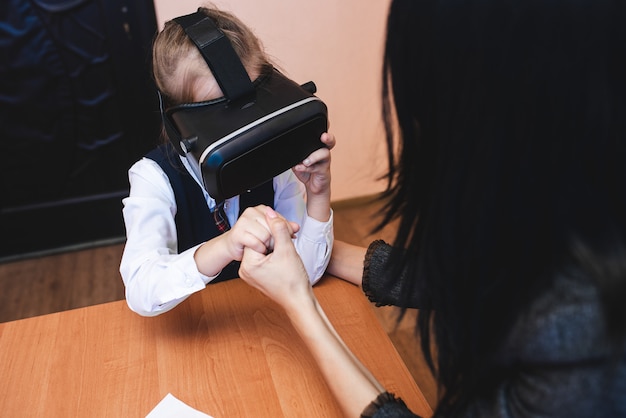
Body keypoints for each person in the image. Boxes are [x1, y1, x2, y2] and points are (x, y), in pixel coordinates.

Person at [238, 0, 626, 417]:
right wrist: (315, 246)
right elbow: (467, 275)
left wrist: (301, 306)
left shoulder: (583, 332)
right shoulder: (569, 206)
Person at [119, 5, 334, 317]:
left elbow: (305, 275)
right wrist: (225, 246)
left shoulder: (274, 170)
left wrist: (318, 195)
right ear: (180, 123)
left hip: (260, 322)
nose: (240, 129)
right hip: (195, 330)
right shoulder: (154, 178)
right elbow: (141, 291)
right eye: (220, 117)